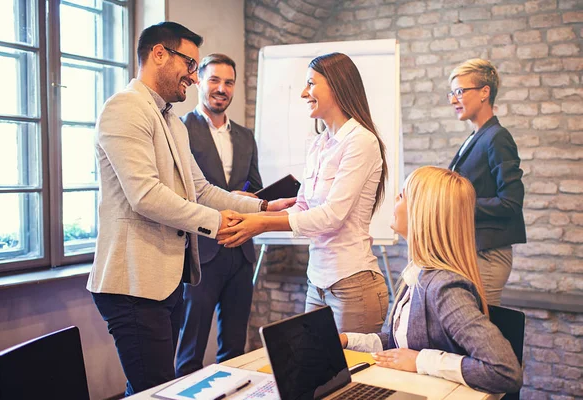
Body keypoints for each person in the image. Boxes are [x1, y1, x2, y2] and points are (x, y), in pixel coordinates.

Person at [87, 22, 290, 395]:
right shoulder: (124, 109)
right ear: (159, 54)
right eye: (191, 65)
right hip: (133, 282)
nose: (195, 78)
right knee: (157, 389)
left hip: (167, 280)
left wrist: (262, 204)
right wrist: (217, 222)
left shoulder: (170, 121)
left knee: (158, 388)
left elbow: (201, 189)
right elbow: (145, 195)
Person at [218, 52, 389, 334]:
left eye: (311, 84)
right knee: (316, 373)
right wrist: (261, 214)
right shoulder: (318, 143)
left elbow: (332, 216)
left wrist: (262, 224)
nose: (303, 93)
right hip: (316, 282)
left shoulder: (361, 141)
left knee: (353, 375)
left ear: (336, 85)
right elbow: (304, 208)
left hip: (353, 282)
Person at [339, 166, 523, 394]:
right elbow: (401, 346)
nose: (396, 198)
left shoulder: (445, 287)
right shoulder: (417, 273)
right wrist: (347, 340)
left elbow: (505, 372)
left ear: (422, 211)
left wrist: (420, 362)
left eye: (403, 195)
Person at [175, 54, 263, 377]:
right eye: (214, 80)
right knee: (191, 350)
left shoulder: (245, 136)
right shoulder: (181, 129)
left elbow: (256, 186)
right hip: (202, 254)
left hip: (240, 254)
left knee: (234, 350)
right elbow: (182, 193)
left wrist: (256, 198)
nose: (221, 89)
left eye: (228, 83)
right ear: (200, 81)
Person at [447, 58, 526, 305]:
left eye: (459, 91)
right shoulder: (476, 137)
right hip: (474, 253)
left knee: (481, 335)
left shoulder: (497, 138)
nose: (453, 100)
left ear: (484, 92)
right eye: (451, 93)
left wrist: (459, 202)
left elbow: (511, 202)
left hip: (489, 255)